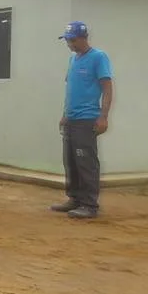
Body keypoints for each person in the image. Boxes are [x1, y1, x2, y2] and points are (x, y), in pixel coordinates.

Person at [50, 21, 113, 219]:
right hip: (71, 119)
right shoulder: (73, 59)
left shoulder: (98, 57)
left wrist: (103, 117)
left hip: (87, 119)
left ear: (83, 38)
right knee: (70, 161)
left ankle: (89, 204)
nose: (69, 43)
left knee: (85, 162)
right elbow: (71, 89)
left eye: (72, 40)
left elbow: (107, 88)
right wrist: (64, 114)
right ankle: (74, 198)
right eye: (67, 40)